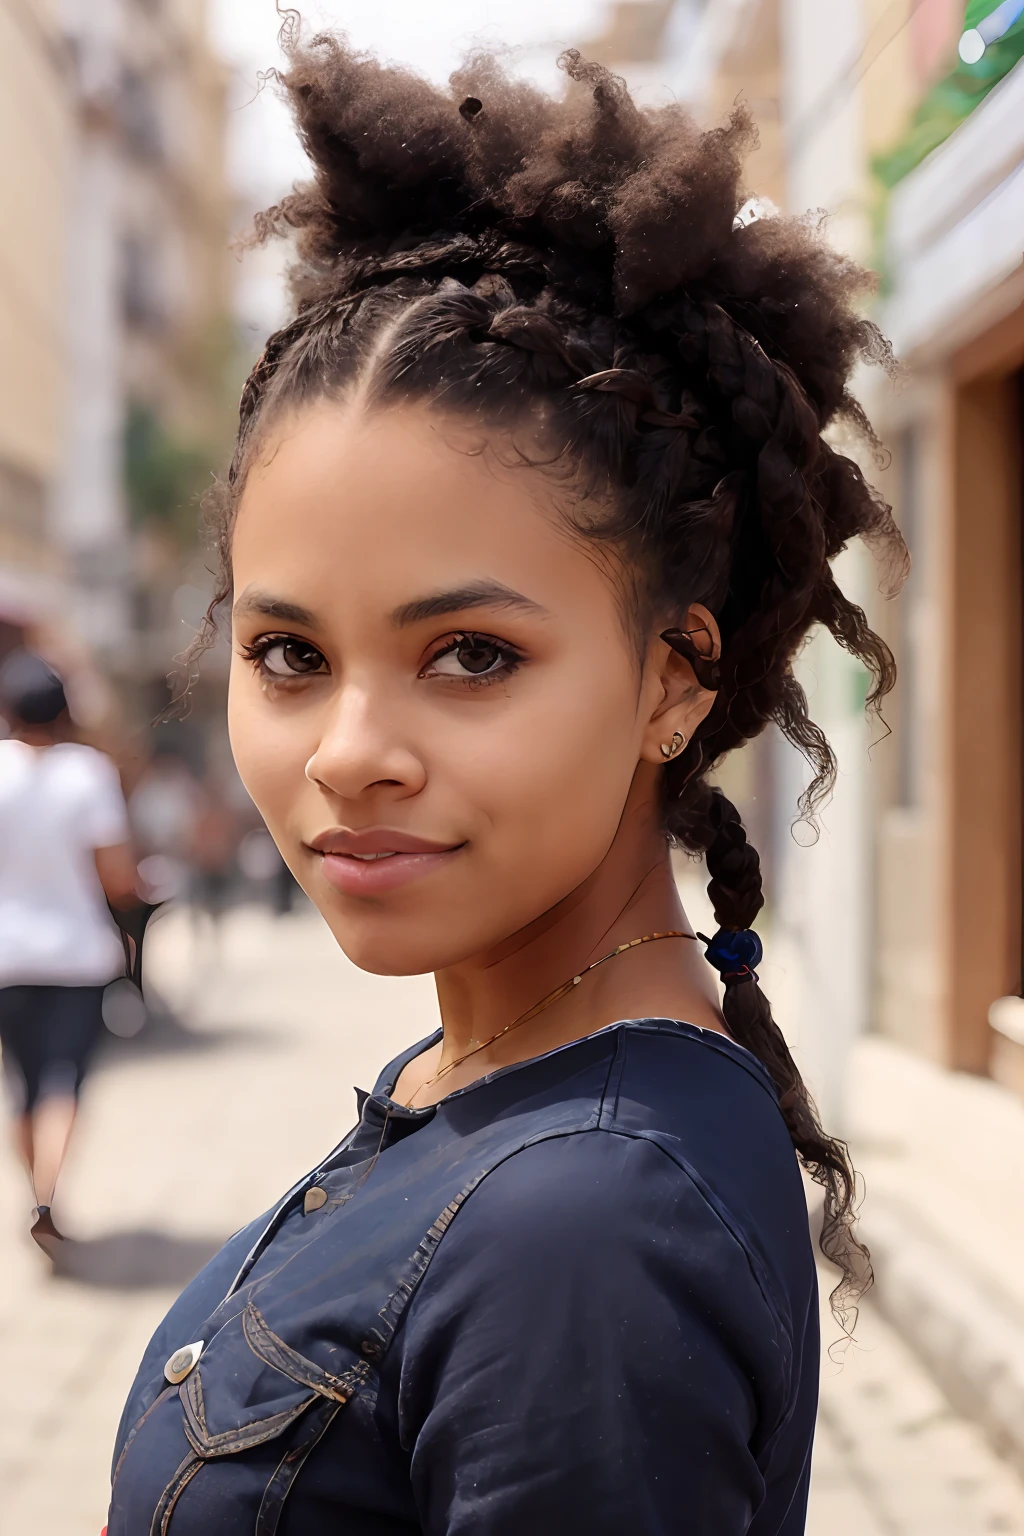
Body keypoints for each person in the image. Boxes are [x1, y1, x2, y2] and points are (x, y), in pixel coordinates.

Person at [106, 38, 904, 1536]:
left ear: (674, 673)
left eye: (469, 654)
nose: (348, 750)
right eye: (287, 651)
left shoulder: (585, 1227)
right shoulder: (483, 1069)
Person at [0, 650, 137, 1246]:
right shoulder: (87, 772)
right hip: (77, 957)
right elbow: (118, 878)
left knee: (23, 1086)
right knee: (66, 1083)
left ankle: (36, 1189)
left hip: (6, 957)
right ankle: (49, 1194)